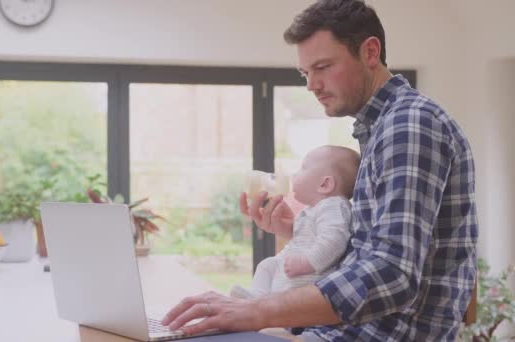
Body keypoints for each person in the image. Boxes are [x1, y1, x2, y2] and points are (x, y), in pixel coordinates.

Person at [162, 0, 478, 340]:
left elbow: (393, 273)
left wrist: (255, 311)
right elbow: (369, 252)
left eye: (323, 67)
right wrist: (297, 230)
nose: (311, 84)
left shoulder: (409, 125)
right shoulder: (382, 127)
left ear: (370, 52)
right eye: (305, 73)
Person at [230, 146, 359, 302]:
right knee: (266, 265)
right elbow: (307, 236)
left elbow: (334, 241)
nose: (294, 175)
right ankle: (257, 297)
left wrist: (308, 262)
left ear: (325, 184)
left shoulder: (333, 206)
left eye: (303, 169)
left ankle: (260, 301)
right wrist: (287, 228)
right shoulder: (314, 209)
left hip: (308, 280)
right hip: (295, 274)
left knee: (271, 271)